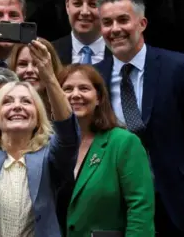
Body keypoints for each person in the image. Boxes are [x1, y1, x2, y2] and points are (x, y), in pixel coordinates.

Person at [94, 0, 184, 236]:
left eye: (123, 20)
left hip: (178, 204)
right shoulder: (95, 77)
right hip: (116, 205)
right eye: (107, 22)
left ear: (142, 23)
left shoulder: (179, 68)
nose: (115, 29)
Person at [0, 17, 80, 236]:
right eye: (7, 101)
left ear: (38, 119)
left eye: (27, 101)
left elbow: (68, 134)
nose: (17, 106)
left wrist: (48, 75)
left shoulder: (50, 158)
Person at [57, 64, 155, 237]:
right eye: (67, 89)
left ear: (99, 98)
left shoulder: (123, 143)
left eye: (84, 88)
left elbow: (140, 208)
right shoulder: (48, 146)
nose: (75, 95)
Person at [52, 0, 111, 65]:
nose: (84, 12)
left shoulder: (121, 53)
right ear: (67, 6)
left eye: (93, 4)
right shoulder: (50, 53)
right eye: (77, 4)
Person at [9, 37, 63, 116]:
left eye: (37, 64)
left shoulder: (66, 107)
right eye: (22, 64)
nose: (29, 70)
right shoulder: (2, 107)